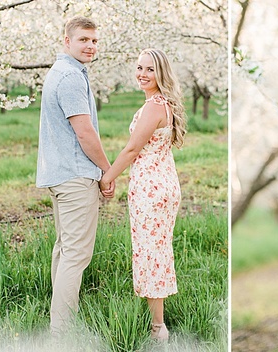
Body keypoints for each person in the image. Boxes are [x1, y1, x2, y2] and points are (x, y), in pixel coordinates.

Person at [100, 48, 186, 342]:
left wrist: (107, 177)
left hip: (151, 189)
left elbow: (132, 149)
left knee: (151, 253)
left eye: (149, 69)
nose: (142, 74)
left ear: (161, 73)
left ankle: (157, 329)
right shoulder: (163, 104)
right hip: (163, 184)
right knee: (156, 252)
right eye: (139, 68)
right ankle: (157, 323)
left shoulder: (153, 107)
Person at [36, 16, 115, 335]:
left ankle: (60, 321)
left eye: (94, 41)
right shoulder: (69, 76)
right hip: (74, 177)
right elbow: (85, 132)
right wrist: (107, 171)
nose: (91, 46)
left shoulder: (62, 72)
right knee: (76, 255)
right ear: (66, 41)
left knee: (65, 250)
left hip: (59, 175)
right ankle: (63, 331)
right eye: (84, 39)